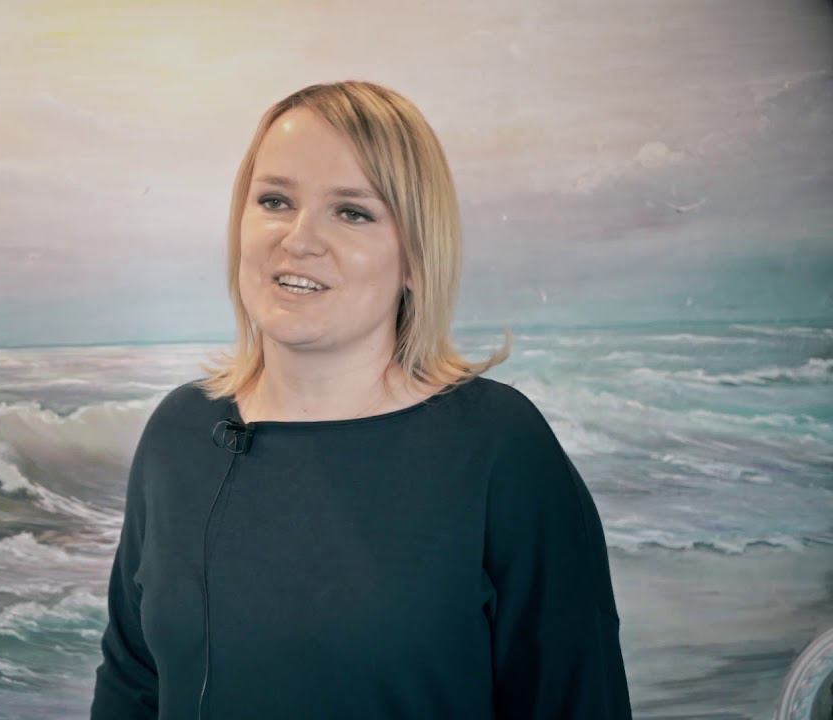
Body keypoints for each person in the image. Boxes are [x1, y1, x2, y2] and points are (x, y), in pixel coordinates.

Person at [90, 80, 632, 720]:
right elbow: (132, 681)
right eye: (275, 201)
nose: (299, 239)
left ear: (416, 257)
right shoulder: (180, 428)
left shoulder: (500, 447)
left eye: (352, 212)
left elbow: (576, 701)